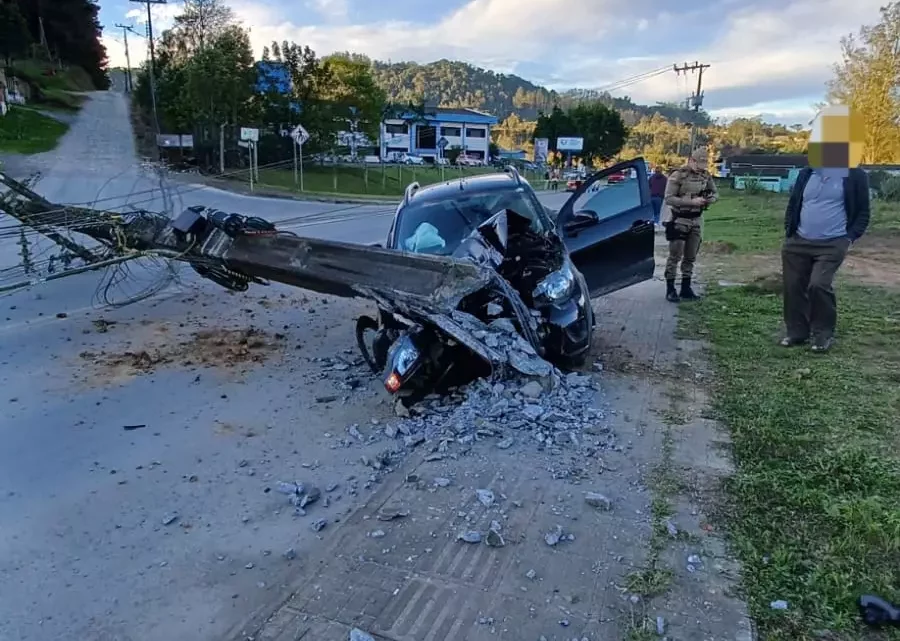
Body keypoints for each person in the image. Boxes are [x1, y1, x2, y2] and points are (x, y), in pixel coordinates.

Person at [780, 148, 870, 352]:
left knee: (818, 285)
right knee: (793, 286)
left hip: (833, 243)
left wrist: (849, 238)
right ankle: (797, 332)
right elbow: (794, 204)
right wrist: (789, 231)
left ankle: (822, 334)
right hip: (798, 241)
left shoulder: (855, 175)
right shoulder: (807, 173)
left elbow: (863, 212)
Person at [663, 147, 718, 302]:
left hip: (696, 220)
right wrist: (691, 201)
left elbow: (715, 193)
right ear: (691, 160)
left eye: (704, 164)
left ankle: (686, 288)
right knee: (675, 256)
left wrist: (708, 200)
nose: (701, 167)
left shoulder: (705, 176)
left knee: (690, 256)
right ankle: (670, 289)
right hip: (679, 219)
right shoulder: (678, 175)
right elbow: (669, 198)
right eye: (699, 164)